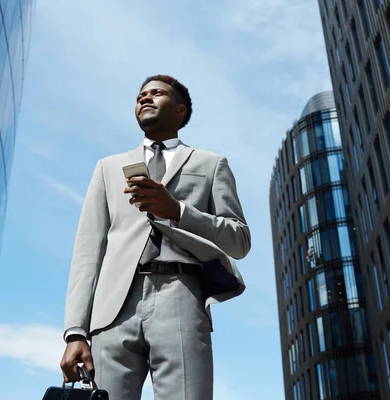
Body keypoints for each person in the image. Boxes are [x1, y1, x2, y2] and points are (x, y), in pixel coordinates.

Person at [60, 75, 251, 399]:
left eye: (157, 93)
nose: (145, 99)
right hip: (113, 309)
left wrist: (177, 210)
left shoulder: (211, 164)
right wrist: (75, 331)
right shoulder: (108, 167)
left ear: (180, 110)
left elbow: (239, 240)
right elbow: (88, 249)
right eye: (140, 96)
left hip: (181, 296)